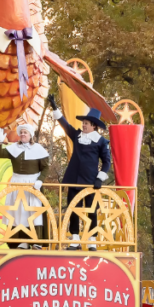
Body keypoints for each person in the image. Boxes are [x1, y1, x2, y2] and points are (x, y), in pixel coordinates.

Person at [48, 96, 111, 251]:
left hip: (91, 182)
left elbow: (107, 162)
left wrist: (100, 178)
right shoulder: (77, 136)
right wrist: (55, 108)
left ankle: (91, 242)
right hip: (74, 180)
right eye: (83, 122)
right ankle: (75, 241)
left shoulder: (101, 142)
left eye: (86, 123)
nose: (83, 125)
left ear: (94, 126)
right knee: (73, 209)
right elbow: (65, 125)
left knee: (91, 211)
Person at [0, 123, 49, 248]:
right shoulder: (14, 148)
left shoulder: (38, 149)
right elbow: (0, 154)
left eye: (26, 132)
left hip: (33, 183)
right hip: (17, 183)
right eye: (22, 132)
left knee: (34, 212)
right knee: (19, 213)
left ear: (30, 135)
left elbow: (45, 167)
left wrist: (40, 180)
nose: (23, 134)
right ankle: (22, 241)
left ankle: (36, 241)